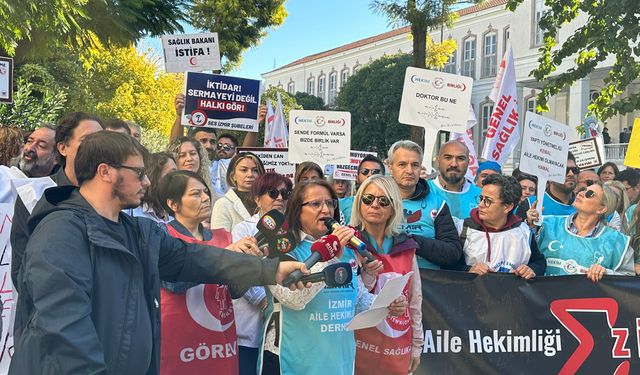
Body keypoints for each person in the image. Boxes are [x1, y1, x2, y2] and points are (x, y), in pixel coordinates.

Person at [9, 131, 308, 374]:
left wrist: (270, 270)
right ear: (105, 172)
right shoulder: (60, 233)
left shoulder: (138, 231)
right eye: (139, 172)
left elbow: (197, 258)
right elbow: (63, 330)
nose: (148, 181)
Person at [257, 179, 407, 375]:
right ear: (297, 210)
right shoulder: (280, 246)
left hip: (338, 358)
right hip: (292, 359)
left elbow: (356, 299)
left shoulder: (345, 249)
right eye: (316, 204)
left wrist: (386, 304)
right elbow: (293, 298)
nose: (326, 210)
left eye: (330, 203)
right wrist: (330, 257)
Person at [157, 170, 262, 374]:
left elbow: (233, 291)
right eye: (196, 194)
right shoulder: (163, 235)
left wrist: (249, 264)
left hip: (220, 344)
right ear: (173, 204)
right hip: (179, 343)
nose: (206, 198)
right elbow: (173, 282)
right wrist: (224, 257)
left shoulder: (223, 236)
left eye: (206, 192)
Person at [10, 112, 104, 290]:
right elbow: (21, 270)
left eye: (102, 140)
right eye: (87, 140)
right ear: (62, 148)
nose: (97, 147)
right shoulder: (33, 195)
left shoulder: (110, 194)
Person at [349, 175, 424, 374]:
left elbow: (414, 300)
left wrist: (417, 344)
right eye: (368, 199)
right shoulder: (349, 244)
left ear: (393, 207)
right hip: (358, 346)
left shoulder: (406, 246)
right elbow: (349, 299)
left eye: (383, 201)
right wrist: (368, 276)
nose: (375, 205)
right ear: (359, 203)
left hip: (396, 346)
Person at [231, 172, 292, 375]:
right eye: (273, 193)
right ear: (257, 198)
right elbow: (240, 271)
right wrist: (263, 301)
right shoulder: (243, 229)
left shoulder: (293, 232)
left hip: (283, 329)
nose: (280, 199)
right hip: (251, 324)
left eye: (285, 193)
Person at [527, 181, 635, 281]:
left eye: (590, 194)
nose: (581, 193)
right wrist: (530, 226)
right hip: (544, 298)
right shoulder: (548, 224)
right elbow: (525, 254)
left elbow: (628, 281)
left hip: (585, 300)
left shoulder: (617, 241)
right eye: (582, 190)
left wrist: (607, 273)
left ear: (601, 209)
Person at [385, 140, 462, 269]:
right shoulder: (377, 200)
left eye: (415, 165)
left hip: (428, 283)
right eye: (402, 164)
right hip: (387, 279)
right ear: (390, 168)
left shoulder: (438, 203)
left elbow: (453, 252)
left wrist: (413, 242)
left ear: (421, 167)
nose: (409, 170)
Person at [453, 174, 545, 278]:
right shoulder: (462, 228)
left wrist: (531, 270)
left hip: (510, 293)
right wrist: (468, 269)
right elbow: (448, 266)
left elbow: (539, 262)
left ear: (507, 207)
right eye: (481, 198)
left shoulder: (523, 232)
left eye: (488, 201)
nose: (480, 205)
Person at [211, 152, 265, 231]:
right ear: (233, 175)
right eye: (244, 170)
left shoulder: (271, 200)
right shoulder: (223, 204)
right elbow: (220, 241)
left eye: (255, 170)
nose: (250, 175)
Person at [516, 152, 579, 218]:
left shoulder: (585, 204)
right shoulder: (530, 204)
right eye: (564, 170)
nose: (571, 174)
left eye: (574, 170)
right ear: (548, 176)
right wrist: (529, 224)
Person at [429, 140, 481, 219]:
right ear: (438, 161)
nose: (454, 164)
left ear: (468, 162)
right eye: (448, 158)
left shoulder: (481, 195)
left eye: (460, 158)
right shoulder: (423, 191)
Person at [129, 152, 177, 225]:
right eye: (171, 174)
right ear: (154, 176)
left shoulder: (176, 213)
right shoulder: (132, 213)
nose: (178, 179)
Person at [340, 154, 385, 222]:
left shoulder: (389, 206)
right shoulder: (340, 205)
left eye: (375, 172)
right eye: (365, 171)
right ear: (357, 178)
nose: (369, 175)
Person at [210, 133, 241, 200]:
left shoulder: (238, 165)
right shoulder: (209, 164)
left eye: (227, 147)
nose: (222, 149)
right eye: (219, 146)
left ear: (235, 150)